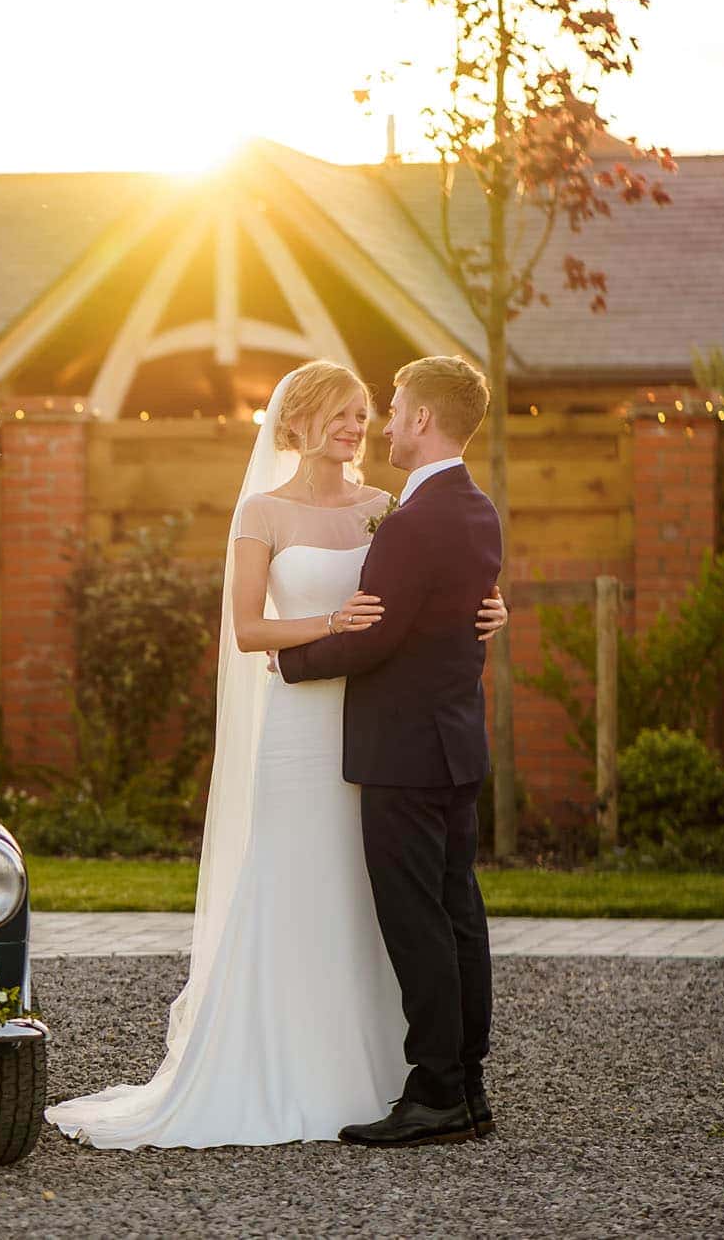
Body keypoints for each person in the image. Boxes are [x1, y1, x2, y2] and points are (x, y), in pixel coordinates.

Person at [44, 359, 507, 1149]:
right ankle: (337, 1067)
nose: (361, 425)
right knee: (321, 885)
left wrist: (490, 609)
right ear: (293, 424)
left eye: (369, 411)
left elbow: (415, 604)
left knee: (391, 906)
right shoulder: (263, 512)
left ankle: (411, 1077)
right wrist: (324, 629)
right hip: (308, 729)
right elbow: (249, 629)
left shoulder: (389, 510)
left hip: (374, 722)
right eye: (343, 412)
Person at [276, 354, 501, 1148]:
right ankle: (467, 1085)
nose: (389, 419)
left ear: (423, 421)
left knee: (418, 924)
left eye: (397, 405)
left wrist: (287, 661)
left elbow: (374, 637)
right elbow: (456, 612)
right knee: (458, 914)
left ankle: (436, 1091)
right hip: (457, 745)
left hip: (403, 752)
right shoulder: (479, 509)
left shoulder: (412, 521)